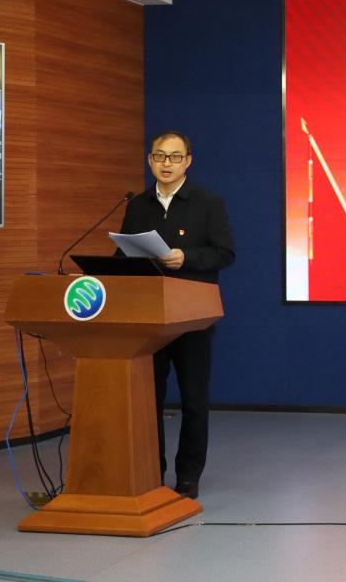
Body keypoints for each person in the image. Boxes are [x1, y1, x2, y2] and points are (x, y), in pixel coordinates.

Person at [117, 131, 234, 500]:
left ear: (188, 161)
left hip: (192, 316)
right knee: (148, 398)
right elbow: (125, 256)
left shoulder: (208, 202)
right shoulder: (138, 205)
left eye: (175, 156)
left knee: (193, 399)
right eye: (159, 156)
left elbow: (225, 253)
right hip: (148, 316)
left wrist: (187, 257)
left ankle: (188, 475)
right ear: (150, 160)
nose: (166, 164)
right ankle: (152, 470)